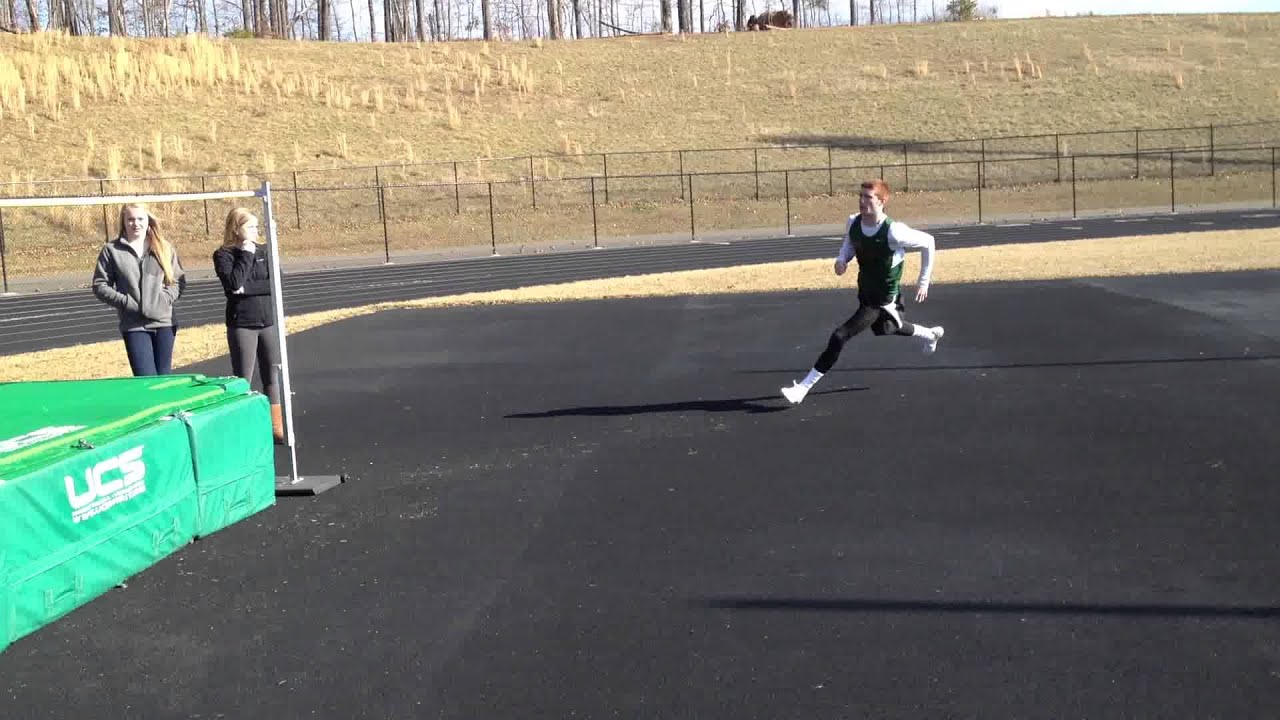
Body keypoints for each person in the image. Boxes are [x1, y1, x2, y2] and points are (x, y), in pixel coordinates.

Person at [781, 179, 945, 404]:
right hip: (866, 292)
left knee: (840, 335)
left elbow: (929, 241)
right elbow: (850, 243)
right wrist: (842, 260)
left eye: (868, 197)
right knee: (887, 328)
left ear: (882, 201)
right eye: (861, 196)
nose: (862, 201)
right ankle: (931, 334)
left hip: (884, 299)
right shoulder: (853, 222)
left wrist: (924, 281)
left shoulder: (894, 232)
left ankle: (802, 387)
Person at [213, 207, 285, 443]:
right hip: (242, 324)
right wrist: (245, 255)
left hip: (268, 322)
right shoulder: (224, 255)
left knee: (272, 375)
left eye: (256, 226)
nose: (256, 231)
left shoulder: (265, 250)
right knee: (243, 377)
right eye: (250, 227)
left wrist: (246, 289)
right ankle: (245, 425)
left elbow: (275, 282)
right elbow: (233, 282)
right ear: (237, 228)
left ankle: (276, 426)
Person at [91, 203, 186, 376]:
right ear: (123, 222)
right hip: (134, 325)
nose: (136, 223)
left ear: (148, 220)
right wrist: (126, 302)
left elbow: (178, 281)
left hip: (164, 323)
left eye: (140, 219)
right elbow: (100, 285)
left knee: (164, 378)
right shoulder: (112, 251)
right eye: (131, 219)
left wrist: (163, 300)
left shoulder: (164, 248)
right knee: (146, 379)